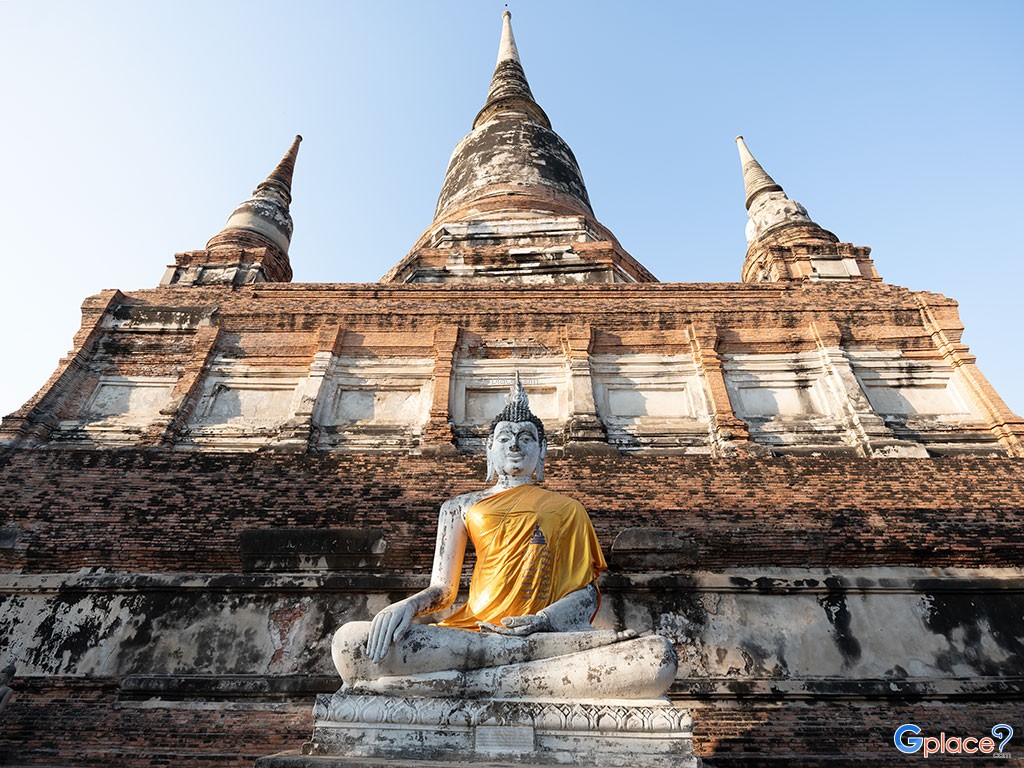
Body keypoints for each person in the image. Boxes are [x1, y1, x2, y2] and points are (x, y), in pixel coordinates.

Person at [331, 377, 677, 700]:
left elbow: (585, 595)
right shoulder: (459, 507)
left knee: (657, 656)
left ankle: (457, 683)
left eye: (526, 437)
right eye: (505, 437)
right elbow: (443, 591)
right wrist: (408, 606)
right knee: (351, 643)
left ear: (542, 451)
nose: (514, 444)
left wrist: (540, 622)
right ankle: (511, 672)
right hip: (474, 636)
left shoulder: (569, 509)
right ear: (490, 449)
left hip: (545, 636)